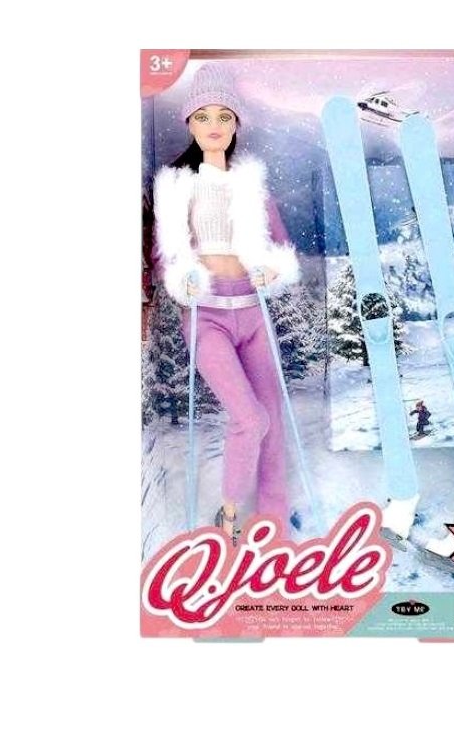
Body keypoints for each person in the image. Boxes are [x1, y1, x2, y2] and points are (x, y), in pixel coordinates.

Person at [152, 62, 301, 544]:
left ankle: (274, 522)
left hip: (252, 311)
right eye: (202, 116)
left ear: (236, 122)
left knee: (272, 421)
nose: (213, 125)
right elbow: (165, 255)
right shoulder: (177, 185)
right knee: (250, 418)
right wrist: (183, 279)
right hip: (208, 315)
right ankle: (230, 514)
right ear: (190, 123)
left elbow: (282, 246)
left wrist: (272, 268)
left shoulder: (251, 183)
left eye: (223, 116)